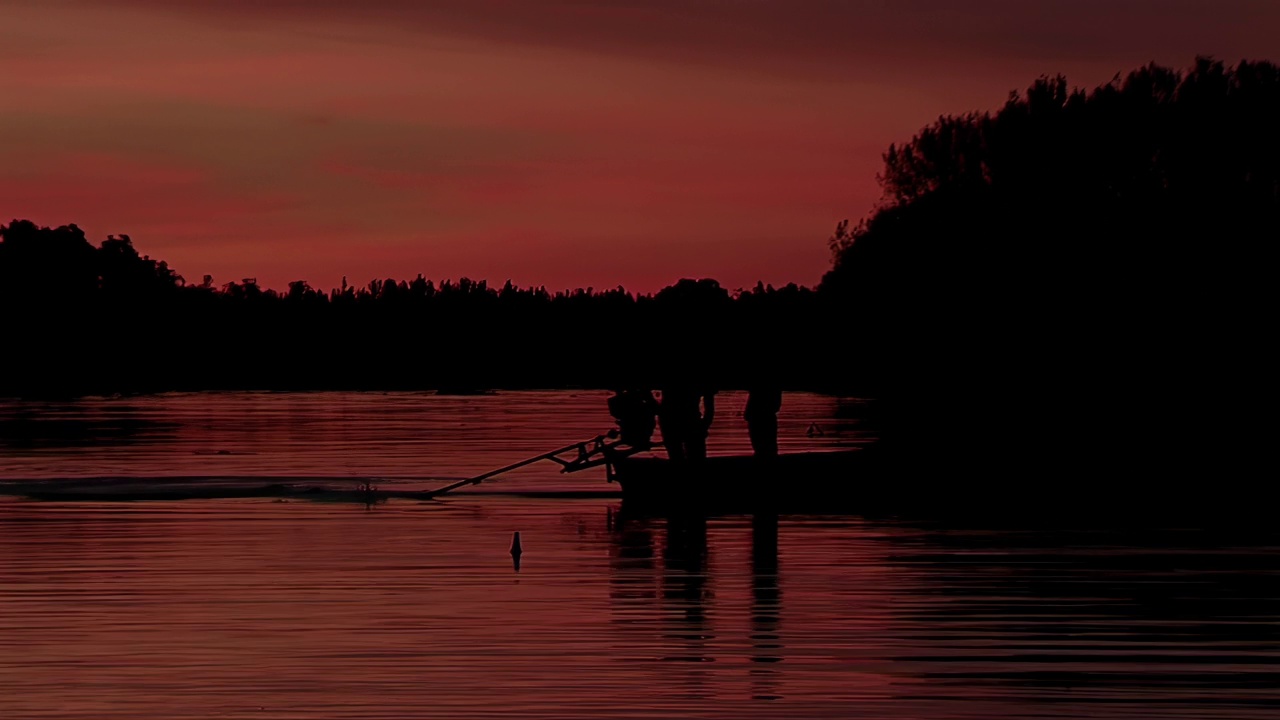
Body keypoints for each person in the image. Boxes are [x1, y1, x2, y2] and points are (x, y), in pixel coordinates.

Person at [658, 381, 716, 463]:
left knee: (678, 454)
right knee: (692, 455)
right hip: (683, 421)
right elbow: (709, 402)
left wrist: (704, 425)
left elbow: (709, 401)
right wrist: (705, 424)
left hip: (671, 420)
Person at [744, 383, 782, 458]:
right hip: (765, 414)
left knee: (762, 446)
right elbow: (776, 405)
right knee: (768, 446)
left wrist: (748, 412)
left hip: (758, 414)